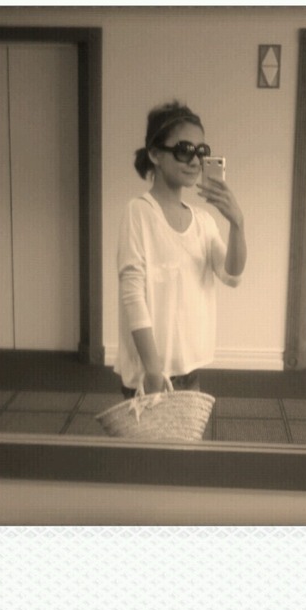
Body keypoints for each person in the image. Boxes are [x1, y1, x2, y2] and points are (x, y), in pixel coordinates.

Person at [114, 100, 247, 398]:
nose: (195, 160)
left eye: (201, 151)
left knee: (188, 431)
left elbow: (232, 275)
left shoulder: (203, 221)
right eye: (184, 149)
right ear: (154, 154)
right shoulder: (138, 212)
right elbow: (132, 294)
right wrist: (153, 370)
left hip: (189, 369)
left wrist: (237, 224)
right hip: (149, 373)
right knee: (148, 431)